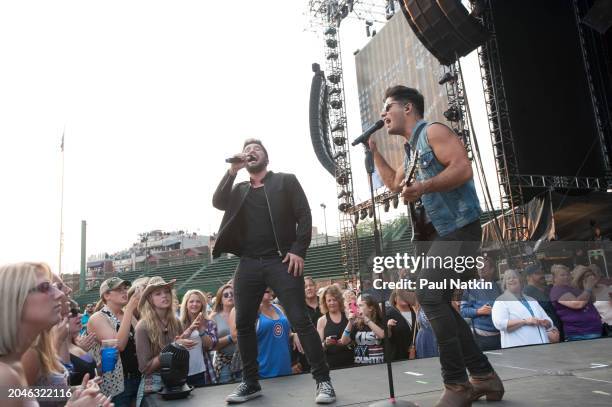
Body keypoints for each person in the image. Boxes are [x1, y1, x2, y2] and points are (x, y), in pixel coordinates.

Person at [369, 85, 502, 404]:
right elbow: (394, 184)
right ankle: (485, 378)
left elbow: (462, 167)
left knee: (428, 294)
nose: (384, 114)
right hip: (436, 237)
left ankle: (457, 384)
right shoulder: (409, 150)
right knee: (437, 300)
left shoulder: (434, 131)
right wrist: (373, 152)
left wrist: (425, 185)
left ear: (408, 108)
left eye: (389, 107)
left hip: (458, 228)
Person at [212, 138, 335, 404]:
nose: (251, 152)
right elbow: (218, 202)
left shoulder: (285, 181)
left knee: (300, 320)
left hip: (280, 261)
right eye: (247, 151)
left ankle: (323, 381)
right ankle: (250, 382)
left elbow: (304, 215)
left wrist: (298, 250)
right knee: (243, 323)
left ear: (266, 156)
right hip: (248, 262)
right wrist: (231, 171)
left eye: (256, 149)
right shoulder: (239, 189)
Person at [0, 262, 113, 407]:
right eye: (45, 287)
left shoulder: (13, 363)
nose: (60, 294)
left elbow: (28, 395)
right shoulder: (5, 374)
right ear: (14, 299)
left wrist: (75, 394)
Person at [88, 276, 141, 406]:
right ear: (106, 295)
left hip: (138, 378)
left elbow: (140, 341)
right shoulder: (98, 317)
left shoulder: (127, 314)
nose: (124, 292)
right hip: (116, 385)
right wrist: (129, 309)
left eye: (125, 288)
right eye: (118, 289)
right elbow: (118, 345)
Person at [134, 277, 185, 406]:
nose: (164, 296)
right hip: (153, 385)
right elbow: (145, 368)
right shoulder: (142, 326)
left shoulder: (177, 322)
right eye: (158, 293)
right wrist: (172, 348)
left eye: (167, 292)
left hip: (176, 383)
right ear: (150, 299)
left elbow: (180, 358)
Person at [491, 269, 558, 348]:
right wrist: (525, 321)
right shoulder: (501, 301)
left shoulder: (531, 300)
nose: (512, 279)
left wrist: (546, 322)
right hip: (520, 350)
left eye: (514, 277)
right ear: (505, 284)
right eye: (508, 278)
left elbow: (548, 319)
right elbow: (500, 323)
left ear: (520, 281)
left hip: (543, 347)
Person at [550, 265, 602, 341]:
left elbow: (592, 300)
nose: (566, 277)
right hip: (579, 333)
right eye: (562, 275)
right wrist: (588, 288)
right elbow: (577, 304)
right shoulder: (557, 290)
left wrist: (587, 285)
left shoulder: (572, 287)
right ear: (554, 278)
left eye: (568, 274)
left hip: (592, 330)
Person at [460, 257, 502, 351]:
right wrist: (478, 311)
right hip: (480, 337)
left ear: (492, 270)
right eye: (479, 266)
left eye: (484, 266)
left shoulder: (499, 287)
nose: (481, 268)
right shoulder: (471, 287)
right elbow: (463, 311)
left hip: (500, 335)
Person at [179, 289, 218, 387]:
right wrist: (191, 328)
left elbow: (211, 346)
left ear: (202, 304)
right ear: (186, 304)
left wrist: (201, 329)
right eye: (191, 301)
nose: (194, 304)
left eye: (198, 301)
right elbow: (175, 344)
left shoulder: (209, 323)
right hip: (181, 372)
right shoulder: (178, 324)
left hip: (202, 371)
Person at [522, 263, 564, 341]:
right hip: (546, 332)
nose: (542, 275)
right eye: (537, 273)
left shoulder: (547, 289)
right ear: (528, 277)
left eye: (542, 273)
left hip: (558, 329)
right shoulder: (527, 292)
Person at [340, 294, 385, 365]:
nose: (357, 308)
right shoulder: (357, 324)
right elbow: (344, 341)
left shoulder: (380, 321)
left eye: (360, 305)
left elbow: (382, 335)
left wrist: (366, 319)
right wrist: (350, 322)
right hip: (360, 366)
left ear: (370, 308)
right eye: (357, 305)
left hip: (379, 365)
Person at [316, 285, 354, 369]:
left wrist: (350, 342)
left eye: (334, 300)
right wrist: (326, 344)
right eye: (329, 300)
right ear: (325, 302)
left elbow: (356, 340)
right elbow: (318, 347)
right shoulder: (322, 320)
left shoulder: (348, 316)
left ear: (339, 300)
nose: (332, 303)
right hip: (331, 364)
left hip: (350, 362)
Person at [210, 284, 240, 384]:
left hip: (242, 361)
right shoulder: (214, 317)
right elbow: (212, 345)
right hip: (224, 363)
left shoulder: (242, 313)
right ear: (220, 299)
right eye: (226, 295)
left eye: (232, 294)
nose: (230, 296)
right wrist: (232, 337)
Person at [67, 304, 97, 386]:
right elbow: (37, 393)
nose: (80, 315)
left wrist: (102, 365)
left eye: (79, 312)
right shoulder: (50, 351)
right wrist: (78, 389)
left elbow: (89, 372)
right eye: (73, 313)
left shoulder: (78, 343)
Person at [386, 289, 417, 361]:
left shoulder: (416, 311)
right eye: (401, 295)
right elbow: (387, 336)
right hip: (398, 355)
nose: (404, 297)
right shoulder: (389, 313)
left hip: (417, 352)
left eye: (406, 295)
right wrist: (388, 327)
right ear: (395, 298)